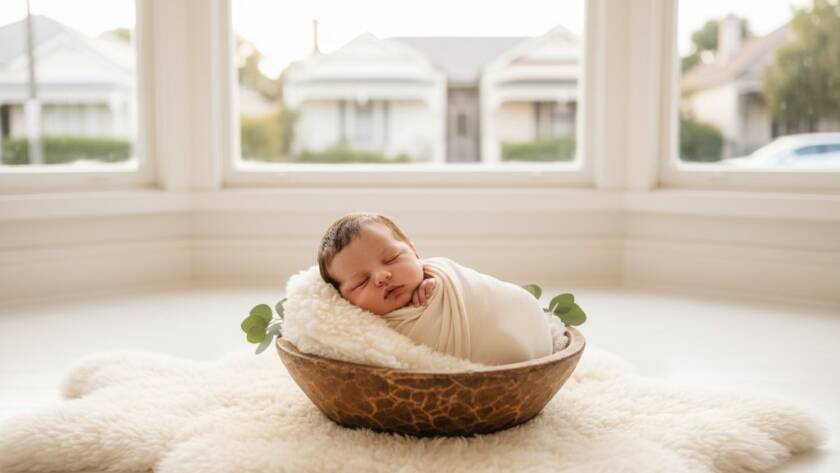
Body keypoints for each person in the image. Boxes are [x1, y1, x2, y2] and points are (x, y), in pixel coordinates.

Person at [316, 212, 553, 365]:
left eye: (392, 258)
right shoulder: (363, 333)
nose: (381, 276)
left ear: (415, 252)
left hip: (518, 318)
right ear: (342, 299)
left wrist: (437, 287)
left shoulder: (439, 275)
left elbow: (477, 291)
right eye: (361, 282)